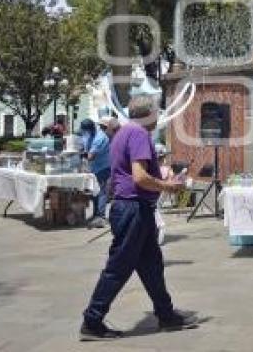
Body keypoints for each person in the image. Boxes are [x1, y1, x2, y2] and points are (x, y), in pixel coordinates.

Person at [81, 96, 197, 341]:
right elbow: (140, 177)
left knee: (151, 265)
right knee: (118, 267)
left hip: (132, 208)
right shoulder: (139, 134)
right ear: (148, 114)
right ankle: (92, 320)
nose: (158, 117)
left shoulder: (123, 132)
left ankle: (166, 315)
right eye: (157, 112)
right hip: (133, 208)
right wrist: (168, 185)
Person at [80, 119, 111, 228]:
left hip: (103, 167)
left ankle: (101, 217)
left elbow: (90, 156)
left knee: (101, 192)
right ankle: (95, 214)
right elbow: (83, 143)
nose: (84, 133)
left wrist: (79, 155)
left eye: (85, 131)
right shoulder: (89, 134)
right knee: (94, 192)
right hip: (94, 168)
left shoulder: (100, 137)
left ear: (91, 128)